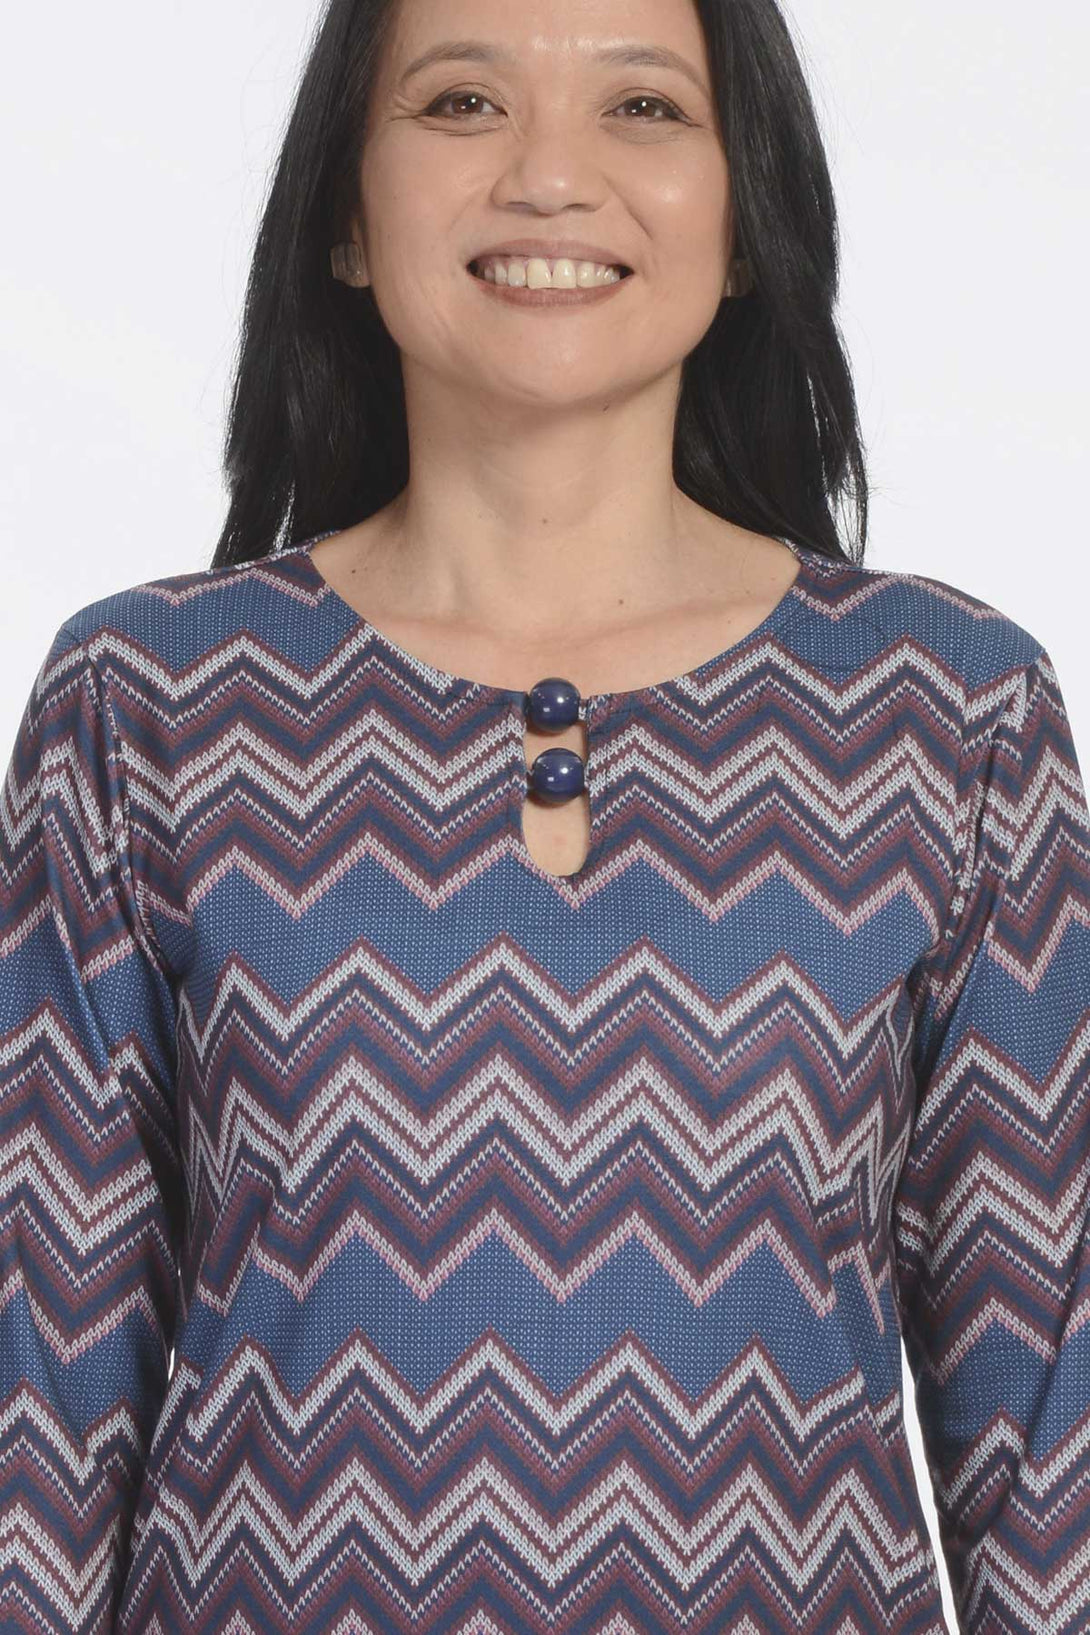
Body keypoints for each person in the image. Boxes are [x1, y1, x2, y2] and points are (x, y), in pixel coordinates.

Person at [2, 0, 1088, 1630]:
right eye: (460, 103)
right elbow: (40, 1392)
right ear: (346, 215)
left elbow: (1050, 1412)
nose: (549, 175)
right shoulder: (149, 700)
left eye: (641, 109)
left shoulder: (945, 712)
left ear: (744, 219)